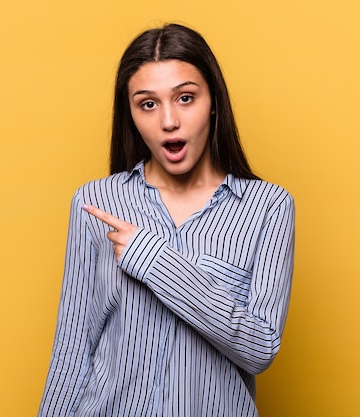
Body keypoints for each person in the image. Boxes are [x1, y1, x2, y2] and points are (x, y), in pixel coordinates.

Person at [37, 23, 295, 417]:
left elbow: (259, 347)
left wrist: (154, 260)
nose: (169, 121)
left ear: (214, 102)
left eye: (186, 98)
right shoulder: (96, 202)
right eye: (148, 104)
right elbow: (72, 349)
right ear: (132, 115)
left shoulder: (267, 207)